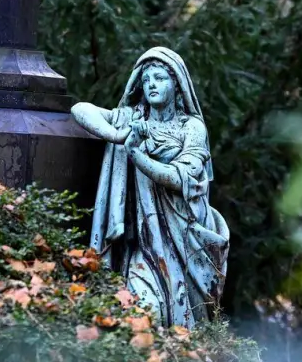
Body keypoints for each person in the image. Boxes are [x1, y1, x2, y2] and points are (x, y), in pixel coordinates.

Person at [70, 47, 229, 328]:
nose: (152, 84)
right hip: (143, 243)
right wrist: (119, 135)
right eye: (146, 80)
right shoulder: (131, 119)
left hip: (185, 242)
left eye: (160, 78)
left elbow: (183, 178)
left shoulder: (191, 127)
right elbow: (80, 109)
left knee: (186, 325)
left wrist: (138, 155)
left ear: (176, 84)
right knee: (146, 313)